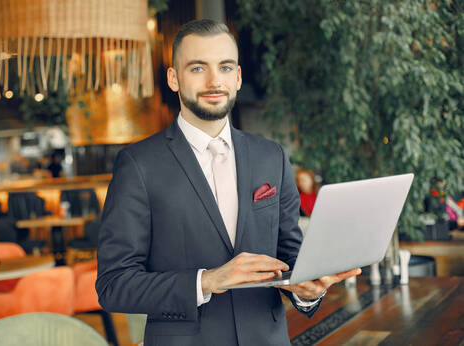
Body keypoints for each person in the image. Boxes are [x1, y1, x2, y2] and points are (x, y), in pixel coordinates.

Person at [95, 19, 360, 346]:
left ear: (237, 77)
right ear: (174, 78)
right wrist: (207, 281)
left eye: (224, 67)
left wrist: (308, 291)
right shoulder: (137, 164)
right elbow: (113, 286)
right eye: (197, 68)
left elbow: (290, 259)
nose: (213, 80)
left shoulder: (271, 157)